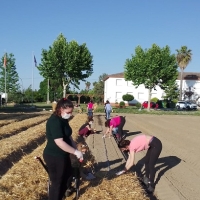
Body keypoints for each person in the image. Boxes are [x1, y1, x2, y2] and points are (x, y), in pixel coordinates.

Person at [43, 98, 83, 200]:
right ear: (61, 109)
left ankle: (61, 196)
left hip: (63, 155)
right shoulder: (54, 121)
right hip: (54, 156)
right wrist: (75, 151)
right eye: (68, 112)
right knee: (57, 183)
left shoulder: (63, 119)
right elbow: (59, 142)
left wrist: (76, 150)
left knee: (68, 177)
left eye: (71, 112)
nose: (70, 114)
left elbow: (68, 137)